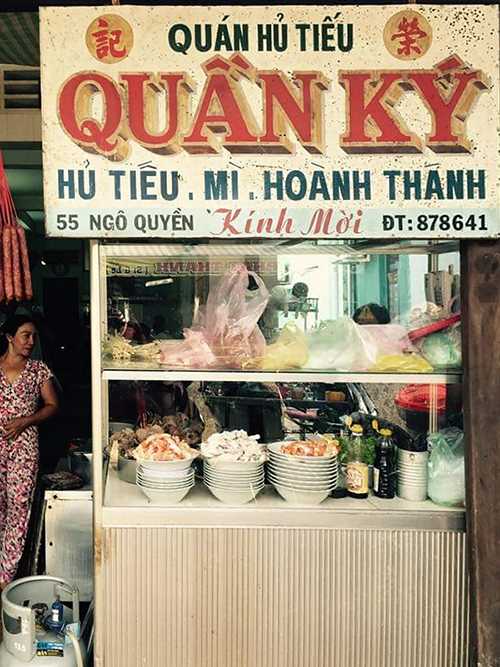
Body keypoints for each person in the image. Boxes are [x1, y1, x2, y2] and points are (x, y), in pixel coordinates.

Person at [0, 315, 58, 588]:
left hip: (24, 448)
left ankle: (5, 577)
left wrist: (26, 421)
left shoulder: (38, 370)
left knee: (18, 507)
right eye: (25, 335)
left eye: (34, 336)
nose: (31, 341)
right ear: (9, 337)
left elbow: (52, 405)